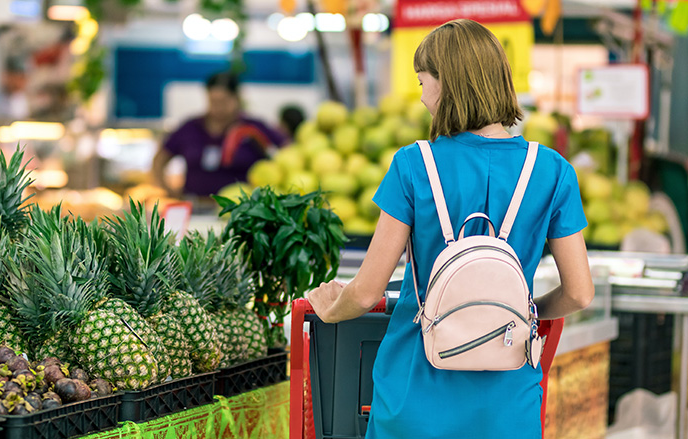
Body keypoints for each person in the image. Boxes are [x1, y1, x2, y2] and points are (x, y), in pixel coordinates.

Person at [306, 19, 594, 439]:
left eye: (423, 82)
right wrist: (523, 315)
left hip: (414, 394)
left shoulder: (414, 165)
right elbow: (579, 293)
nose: (422, 97)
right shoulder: (552, 171)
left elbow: (368, 291)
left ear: (449, 85)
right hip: (508, 401)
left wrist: (332, 307)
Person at [152, 72, 288, 199]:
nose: (218, 108)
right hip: (195, 206)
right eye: (213, 102)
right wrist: (169, 192)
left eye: (223, 102)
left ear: (237, 98)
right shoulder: (190, 128)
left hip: (242, 210)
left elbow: (287, 151)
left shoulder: (253, 128)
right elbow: (160, 160)